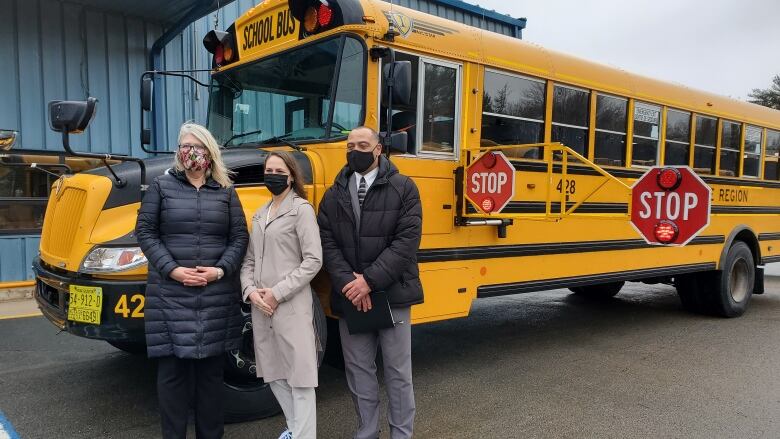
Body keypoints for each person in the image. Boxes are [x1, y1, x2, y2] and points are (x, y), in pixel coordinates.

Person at [135, 122, 248, 439]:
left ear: (210, 152)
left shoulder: (226, 192)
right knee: (172, 377)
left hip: (214, 298)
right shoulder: (161, 187)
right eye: (184, 145)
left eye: (196, 146)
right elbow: (145, 232)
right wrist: (172, 269)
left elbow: (239, 238)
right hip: (170, 297)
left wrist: (220, 270)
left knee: (211, 379)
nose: (189, 151)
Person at [317, 126, 424, 439]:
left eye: (362, 145)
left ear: (378, 149)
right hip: (351, 297)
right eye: (350, 145)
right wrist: (351, 284)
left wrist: (370, 281)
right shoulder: (334, 192)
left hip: (392, 295)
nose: (354, 151)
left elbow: (406, 242)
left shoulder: (404, 188)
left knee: (397, 373)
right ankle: (366, 433)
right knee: (359, 372)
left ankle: (401, 435)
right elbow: (326, 242)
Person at [240, 152, 323, 439]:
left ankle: (303, 435)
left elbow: (313, 260)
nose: (272, 174)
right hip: (262, 309)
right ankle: (296, 431)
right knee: (274, 375)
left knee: (300, 379)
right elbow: (248, 262)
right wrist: (250, 291)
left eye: (279, 169)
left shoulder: (302, 210)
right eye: (269, 169)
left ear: (290, 175)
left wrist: (277, 293)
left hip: (290, 306)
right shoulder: (259, 214)